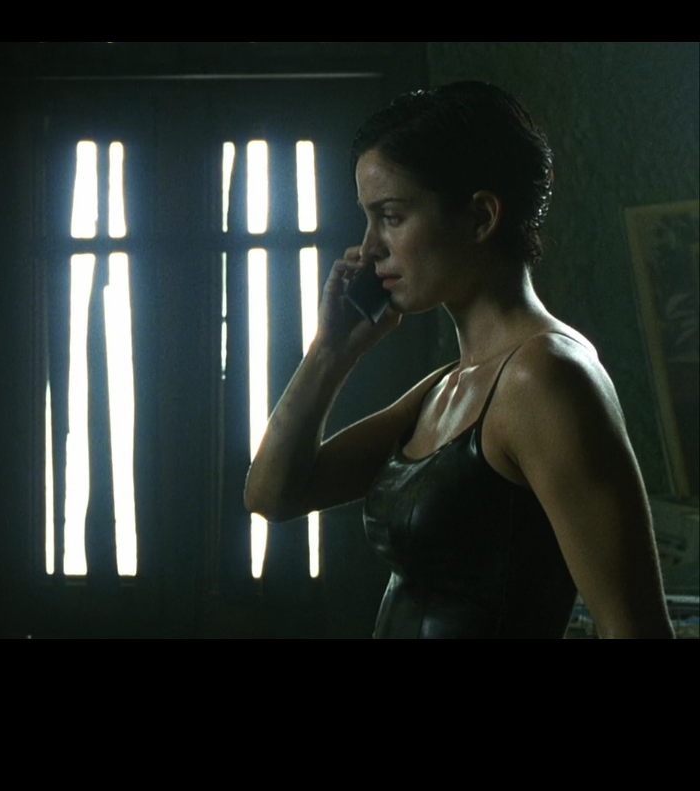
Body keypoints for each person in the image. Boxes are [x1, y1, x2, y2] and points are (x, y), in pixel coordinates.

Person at [244, 81, 673, 639]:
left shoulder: (543, 377)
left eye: (391, 216)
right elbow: (272, 494)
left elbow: (635, 629)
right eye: (369, 219)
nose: (369, 248)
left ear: (479, 218)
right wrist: (330, 349)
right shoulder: (446, 388)